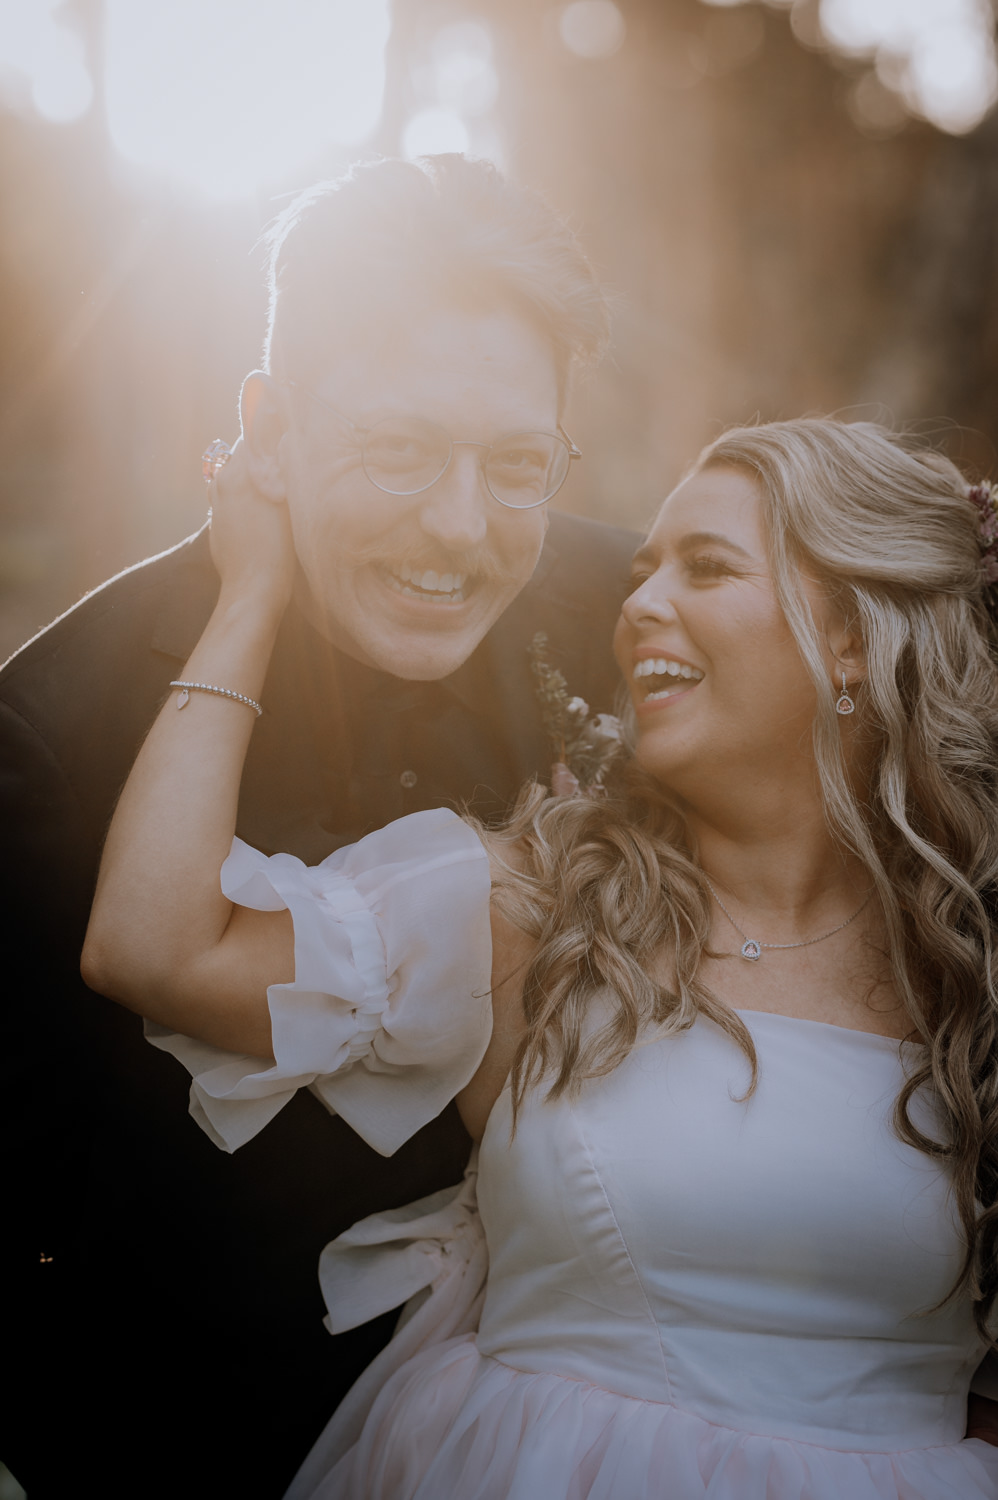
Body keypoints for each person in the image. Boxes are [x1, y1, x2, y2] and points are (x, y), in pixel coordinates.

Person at [84, 415, 998, 1497]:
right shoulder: (533, 905)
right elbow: (156, 947)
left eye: (705, 568)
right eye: (642, 570)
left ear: (850, 633)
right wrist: (251, 595)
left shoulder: (966, 962)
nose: (639, 604)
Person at [0, 155, 638, 1498]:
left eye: (515, 464)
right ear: (271, 428)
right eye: (397, 451)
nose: (459, 530)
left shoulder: (632, 622)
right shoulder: (49, 737)